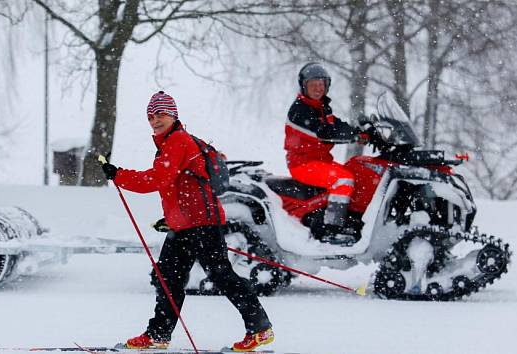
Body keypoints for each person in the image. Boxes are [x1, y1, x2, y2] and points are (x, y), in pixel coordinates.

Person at [101, 91, 274, 352]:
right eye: (151, 116)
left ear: (173, 115)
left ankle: (260, 328)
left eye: (161, 114)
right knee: (168, 278)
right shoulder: (171, 142)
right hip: (184, 225)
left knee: (221, 275)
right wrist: (169, 218)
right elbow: (178, 186)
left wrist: (119, 175)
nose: (155, 120)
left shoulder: (178, 141)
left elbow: (157, 179)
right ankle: (158, 334)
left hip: (201, 223)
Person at [284, 62, 363, 244]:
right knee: (343, 180)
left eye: (321, 84)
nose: (318, 89)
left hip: (320, 162)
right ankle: (332, 230)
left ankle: (353, 223)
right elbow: (324, 132)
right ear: (304, 86)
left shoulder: (321, 108)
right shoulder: (300, 110)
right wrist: (353, 136)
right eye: (313, 85)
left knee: (357, 173)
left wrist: (364, 132)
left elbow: (337, 125)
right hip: (302, 165)